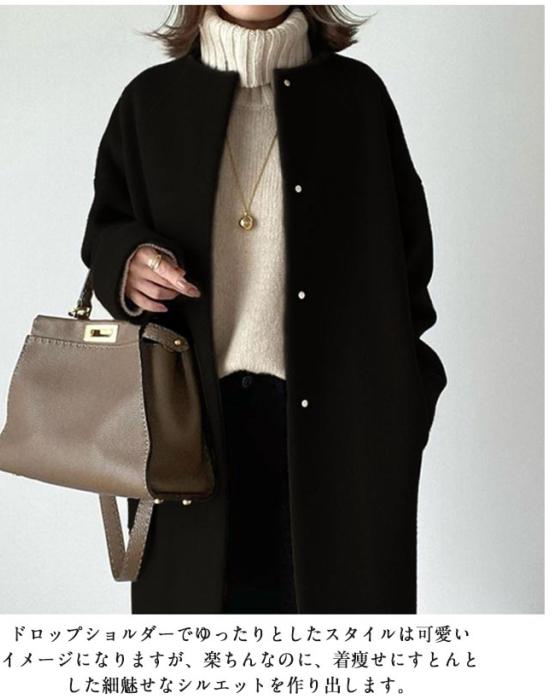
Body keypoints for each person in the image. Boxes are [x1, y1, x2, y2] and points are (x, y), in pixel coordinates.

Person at [81, 5, 448, 614]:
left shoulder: (358, 98)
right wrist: (127, 262)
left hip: (341, 432)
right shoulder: (150, 102)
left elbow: (409, 267)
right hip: (188, 429)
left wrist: (407, 401)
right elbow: (105, 231)